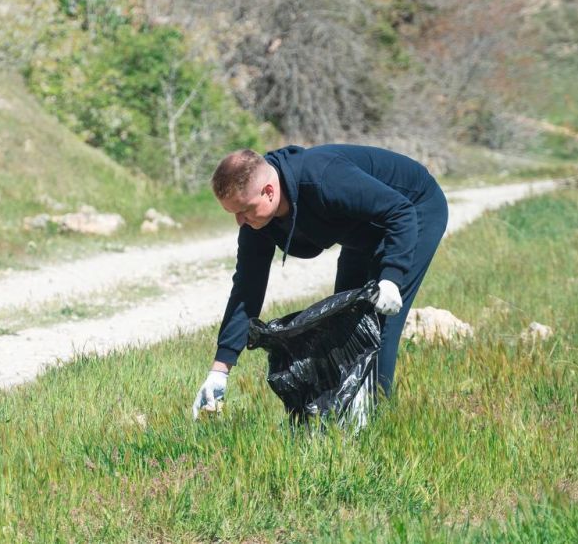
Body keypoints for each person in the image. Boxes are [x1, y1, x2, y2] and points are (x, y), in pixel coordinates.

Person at [192, 144, 448, 419]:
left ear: (268, 192)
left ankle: (376, 420)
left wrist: (391, 278)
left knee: (377, 324)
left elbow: (400, 212)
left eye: (243, 210)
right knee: (342, 324)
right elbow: (246, 289)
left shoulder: (323, 178)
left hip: (414, 209)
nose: (239, 221)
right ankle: (345, 418)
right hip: (362, 228)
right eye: (233, 213)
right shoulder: (256, 223)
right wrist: (220, 370)